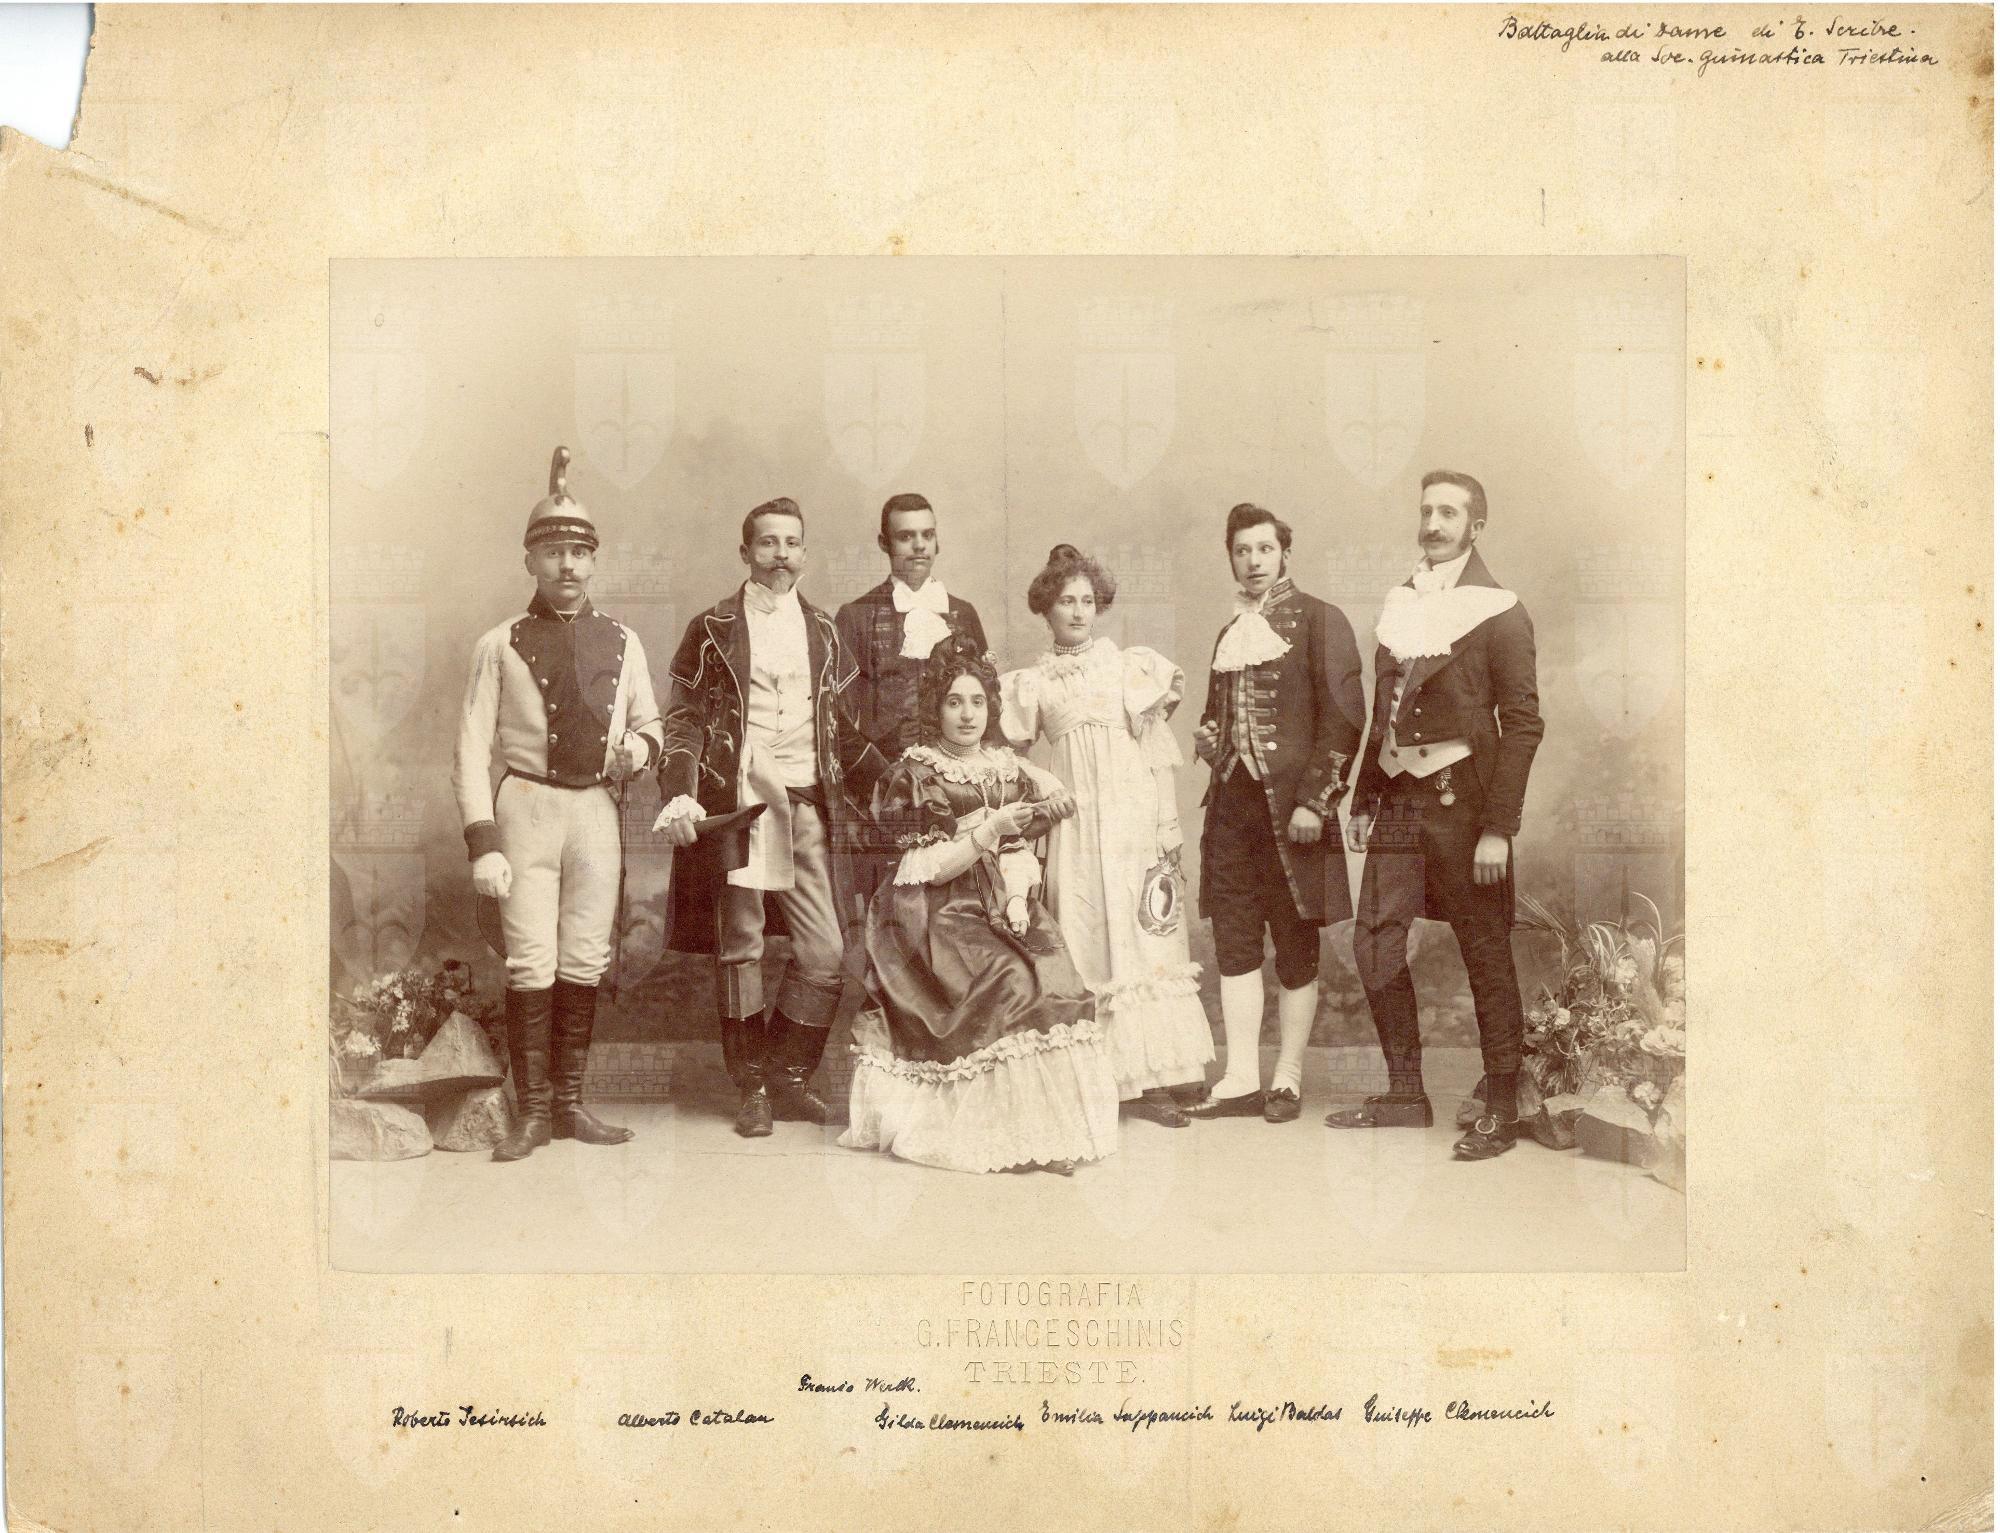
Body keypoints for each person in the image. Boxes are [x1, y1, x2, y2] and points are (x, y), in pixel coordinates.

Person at [451, 447, 663, 1162]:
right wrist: (484, 842)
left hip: (595, 811)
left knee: (585, 956)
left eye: (578, 552)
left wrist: (640, 751)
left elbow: (651, 724)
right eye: (552, 552)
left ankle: (569, 1103)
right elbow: (470, 749)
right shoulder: (498, 643)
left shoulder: (624, 641)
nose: (567, 565)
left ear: (593, 561)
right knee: (530, 960)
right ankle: (534, 1111)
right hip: (527, 809)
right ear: (530, 561)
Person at [653, 497, 889, 1138]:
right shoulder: (712, 628)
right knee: (742, 947)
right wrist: (680, 791)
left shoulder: (826, 632)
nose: (780, 554)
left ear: (804, 554)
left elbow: (840, 732)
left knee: (825, 952)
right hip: (741, 808)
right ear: (745, 553)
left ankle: (788, 1076)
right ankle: (751, 1087)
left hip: (810, 805)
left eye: (791, 543)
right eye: (767, 543)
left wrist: (899, 775)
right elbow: (684, 719)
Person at [840, 650, 1119, 1175]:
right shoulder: (917, 773)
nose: (967, 714)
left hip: (1000, 899)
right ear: (935, 709)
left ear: (991, 708)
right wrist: (990, 830)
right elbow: (930, 868)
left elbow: (1017, 850)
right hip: (934, 911)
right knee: (1008, 980)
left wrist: (1017, 898)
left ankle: (1040, 1134)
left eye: (976, 702)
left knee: (1056, 980)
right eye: (953, 703)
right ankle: (995, 1136)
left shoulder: (1006, 769)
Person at [1337, 470, 1544, 1161]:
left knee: (1484, 950)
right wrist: (1365, 796)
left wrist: (1499, 828)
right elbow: (1385, 712)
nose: (1432, 523)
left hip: (1464, 805)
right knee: (1375, 939)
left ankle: (1504, 1106)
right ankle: (1405, 1093)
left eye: (1449, 513)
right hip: (1398, 800)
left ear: (1475, 526)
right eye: (1426, 510)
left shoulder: (1500, 610)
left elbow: (1522, 724)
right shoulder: (1402, 602)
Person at [999, 544, 1215, 1128]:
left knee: (1146, 933)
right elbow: (1008, 757)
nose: (1078, 612)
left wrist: (1166, 824)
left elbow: (1154, 749)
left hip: (1132, 819)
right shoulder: (1033, 682)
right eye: (1066, 601)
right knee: (1087, 931)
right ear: (1045, 609)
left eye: (1087, 601)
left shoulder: (1127, 667)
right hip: (1075, 825)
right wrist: (1042, 787)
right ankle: (1104, 1078)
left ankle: (1159, 1072)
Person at [1186, 503, 1366, 1124]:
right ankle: (1240, 1078)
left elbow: (1344, 718)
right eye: (1242, 551)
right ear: (1231, 558)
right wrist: (1208, 739)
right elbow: (1218, 714)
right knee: (1234, 940)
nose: (1253, 561)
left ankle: (1286, 1078)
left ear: (1285, 553)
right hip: (1232, 808)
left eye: (1264, 549)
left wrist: (1316, 802)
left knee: (1294, 942)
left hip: (1295, 813)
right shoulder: (1229, 630)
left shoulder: (1321, 619)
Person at [833, 492, 993, 931]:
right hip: (886, 793)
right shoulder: (856, 617)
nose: (919, 545)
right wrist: (881, 783)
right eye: (906, 537)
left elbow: (985, 703)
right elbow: (837, 719)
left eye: (927, 535)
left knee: (962, 915)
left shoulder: (963, 614)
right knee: (894, 918)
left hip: (960, 789)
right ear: (884, 543)